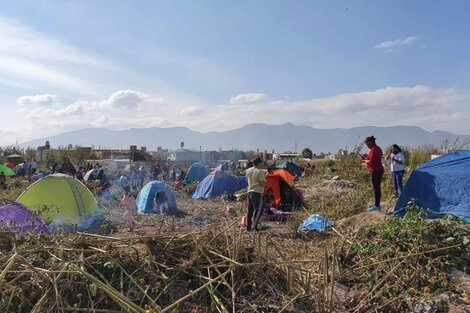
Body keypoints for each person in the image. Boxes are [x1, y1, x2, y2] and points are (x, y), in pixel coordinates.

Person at [362, 136, 384, 211]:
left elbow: (371, 161)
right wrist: (365, 158)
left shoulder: (374, 150)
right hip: (377, 170)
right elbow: (369, 158)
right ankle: (377, 203)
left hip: (376, 170)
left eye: (367, 145)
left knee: (376, 188)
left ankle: (377, 205)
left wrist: (364, 161)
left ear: (370, 143)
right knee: (376, 188)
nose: (367, 146)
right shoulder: (376, 149)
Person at [245, 157, 266, 231]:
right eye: (261, 163)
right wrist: (264, 184)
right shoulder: (260, 172)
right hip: (257, 192)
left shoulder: (248, 171)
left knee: (249, 210)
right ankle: (254, 227)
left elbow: (247, 181)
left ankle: (248, 226)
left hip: (249, 191)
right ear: (259, 163)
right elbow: (262, 183)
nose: (262, 164)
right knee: (258, 210)